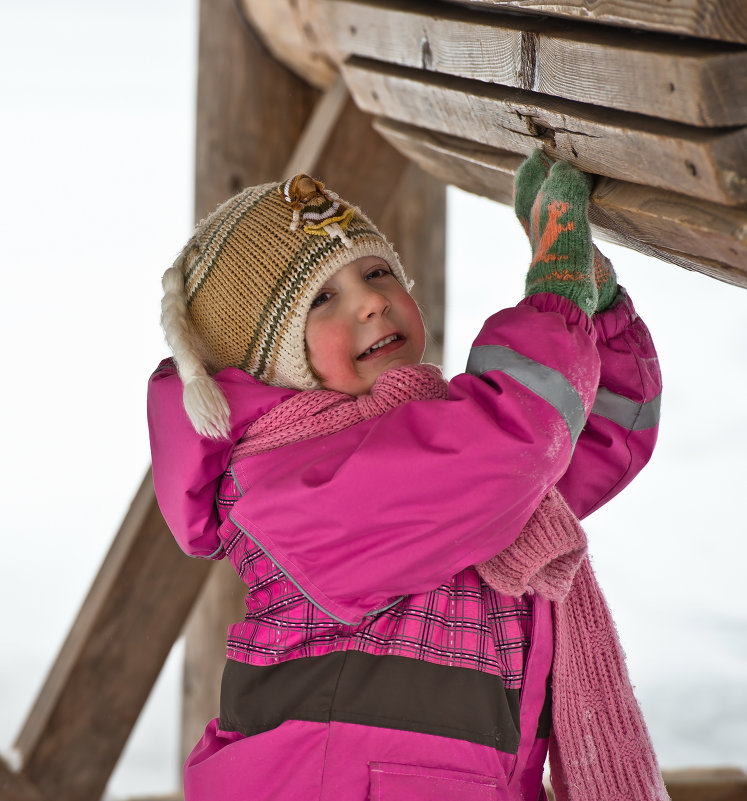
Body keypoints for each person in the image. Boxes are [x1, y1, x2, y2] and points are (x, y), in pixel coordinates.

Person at [147, 155, 667, 801]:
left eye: (376, 271)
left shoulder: (429, 440)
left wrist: (598, 309)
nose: (370, 301)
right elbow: (510, 445)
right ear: (265, 361)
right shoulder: (284, 490)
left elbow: (578, 439)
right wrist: (554, 296)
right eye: (322, 299)